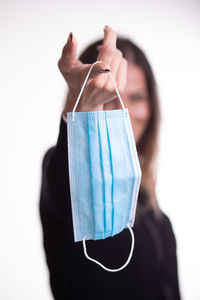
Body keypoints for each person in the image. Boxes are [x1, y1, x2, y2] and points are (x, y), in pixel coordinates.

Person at [39, 26, 181, 299]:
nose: (124, 111)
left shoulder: (159, 220)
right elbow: (64, 188)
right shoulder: (60, 169)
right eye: (110, 96)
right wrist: (88, 109)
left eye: (136, 97)